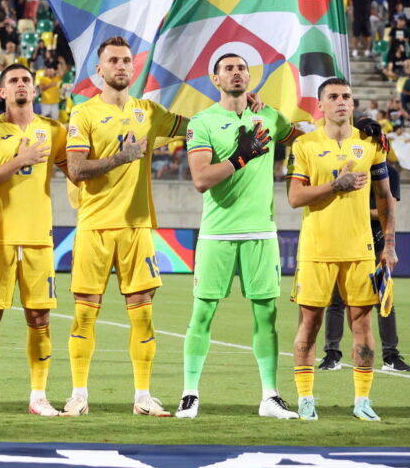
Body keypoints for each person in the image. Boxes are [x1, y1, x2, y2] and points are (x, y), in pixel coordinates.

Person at [62, 36, 188, 418]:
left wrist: (240, 108)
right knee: (85, 313)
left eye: (126, 61)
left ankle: (143, 397)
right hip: (94, 226)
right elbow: (76, 169)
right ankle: (78, 395)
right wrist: (122, 157)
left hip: (136, 227)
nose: (120, 66)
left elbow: (196, 127)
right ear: (98, 70)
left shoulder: (149, 112)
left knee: (144, 313)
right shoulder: (83, 115)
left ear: (133, 69)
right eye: (112, 60)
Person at [175, 53, 300, 419]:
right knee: (202, 313)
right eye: (228, 68)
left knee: (267, 314)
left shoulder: (270, 117)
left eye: (242, 68)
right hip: (218, 233)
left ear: (250, 76)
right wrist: (239, 159)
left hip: (262, 230)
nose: (236, 73)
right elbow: (200, 180)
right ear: (215, 80)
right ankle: (190, 394)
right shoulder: (203, 122)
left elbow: (304, 142)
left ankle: (270, 397)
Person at [286, 78, 396, 421]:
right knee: (310, 323)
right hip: (316, 248)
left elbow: (385, 197)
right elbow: (294, 198)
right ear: (320, 105)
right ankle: (306, 399)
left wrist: (388, 244)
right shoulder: (304, 145)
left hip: (360, 249)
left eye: (347, 96)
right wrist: (336, 185)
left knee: (362, 325)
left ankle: (362, 401)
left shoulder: (371, 143)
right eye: (333, 97)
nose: (341, 102)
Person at [0, 64, 72, 416]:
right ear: (2, 92)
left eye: (26, 79)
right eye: (13, 81)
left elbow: (78, 169)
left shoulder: (54, 131)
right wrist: (20, 160)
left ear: (35, 88)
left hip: (39, 238)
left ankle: (38, 397)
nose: (21, 84)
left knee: (40, 318)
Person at [320, 157, 408, 372]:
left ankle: (391, 356)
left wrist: (357, 212)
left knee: (384, 300)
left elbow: (388, 211)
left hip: (375, 243)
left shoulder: (389, 172)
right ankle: (332, 355)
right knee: (336, 301)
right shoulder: (346, 168)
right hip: (343, 241)